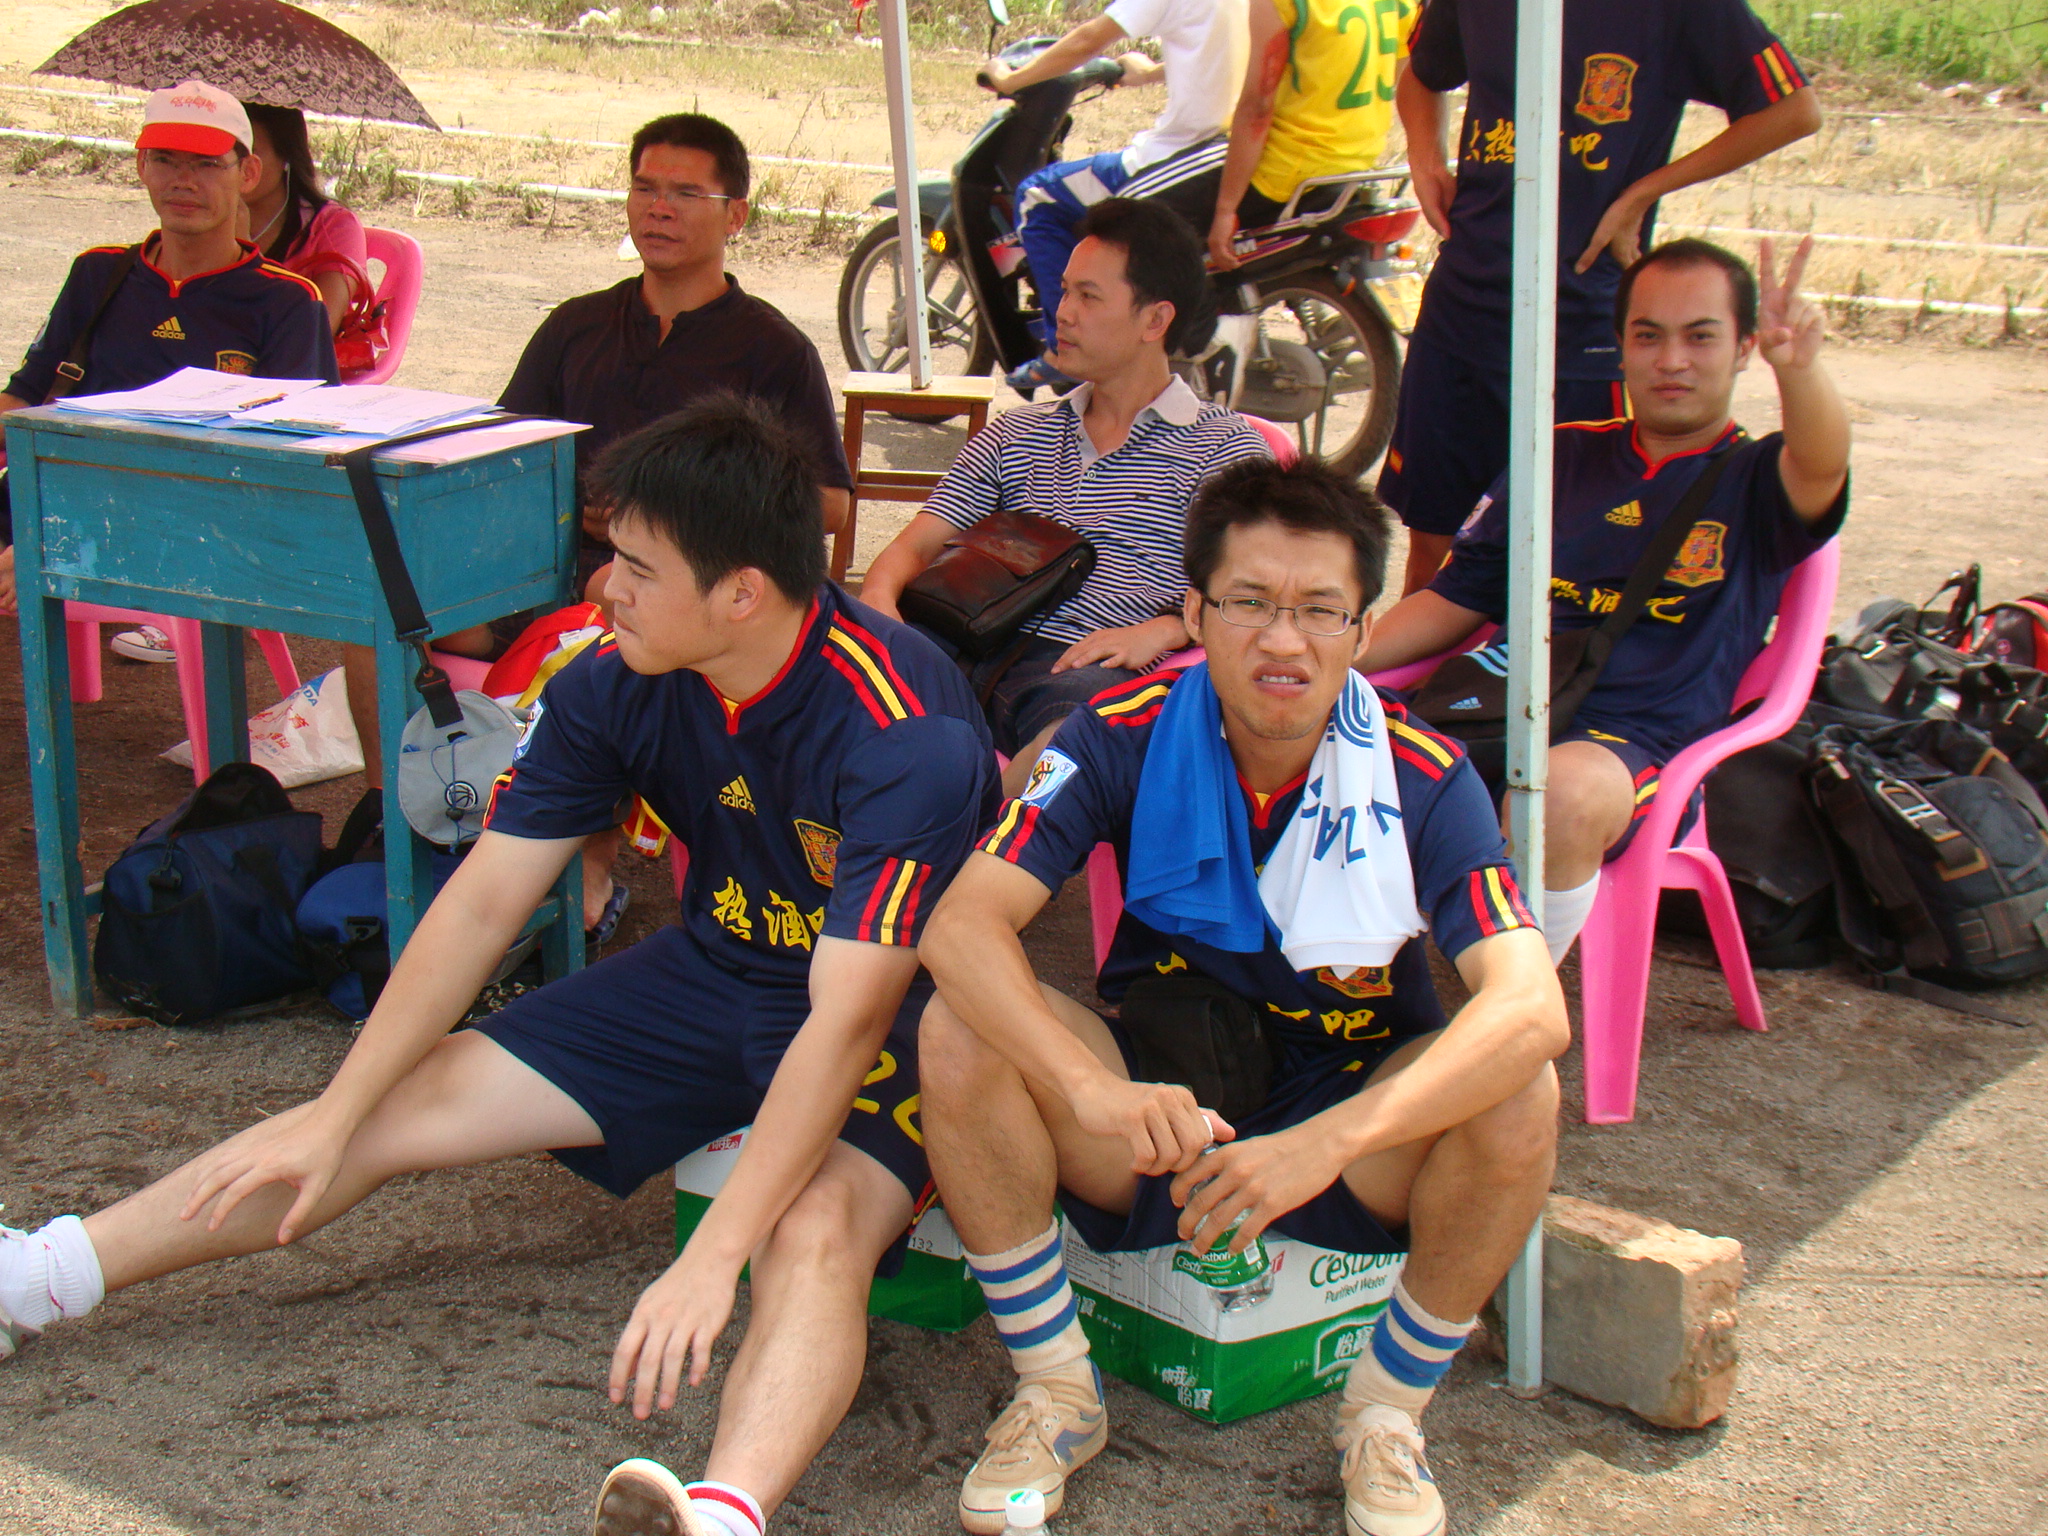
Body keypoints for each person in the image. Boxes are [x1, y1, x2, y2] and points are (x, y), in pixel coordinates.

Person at [0, 396, 1001, 1536]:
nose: (603, 589)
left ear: (740, 592)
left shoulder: (902, 727)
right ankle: (35, 1277)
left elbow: (847, 1016)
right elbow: (482, 902)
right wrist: (338, 1108)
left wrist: (712, 1256)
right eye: (611, 557)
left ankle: (723, 1513)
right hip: (714, 968)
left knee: (811, 1231)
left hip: (894, 1010)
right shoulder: (614, 677)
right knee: (390, 1105)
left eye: (637, 568)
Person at [916, 454, 1566, 1535]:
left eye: (1320, 610)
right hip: (1162, 1115)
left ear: (1362, 630)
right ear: (1193, 614)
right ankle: (1056, 1390)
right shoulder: (1114, 733)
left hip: (1353, 1134)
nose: (1283, 640)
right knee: (960, 1026)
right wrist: (1088, 1086)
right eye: (1249, 603)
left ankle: (1385, 1414)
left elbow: (1530, 1007)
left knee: (1518, 1083)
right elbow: (959, 925)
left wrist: (1327, 1141)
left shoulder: (1421, 774)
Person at [1362, 236, 1849, 965]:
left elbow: (1822, 463)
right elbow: (1455, 599)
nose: (1672, 360)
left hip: (1634, 749)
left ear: (1744, 348)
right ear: (1620, 346)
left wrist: (1800, 371)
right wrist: (1333, 658)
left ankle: (1512, 1006)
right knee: (1294, 729)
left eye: (1700, 337)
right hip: (1493, 708)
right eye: (1648, 336)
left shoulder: (1759, 480)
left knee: (1555, 795)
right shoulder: (1559, 455)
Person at [1378, 0, 1822, 595]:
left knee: (1568, 560)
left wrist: (1644, 192)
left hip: (1582, 321)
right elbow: (1422, 73)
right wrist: (1425, 155)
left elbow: (1793, 110)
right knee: (1435, 550)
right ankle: (1424, 660)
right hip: (1462, 309)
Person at [862, 197, 1268, 796]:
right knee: (824, 663)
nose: (1063, 313)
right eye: (1063, 291)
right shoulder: (1017, 432)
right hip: (960, 637)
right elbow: (916, 545)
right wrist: (877, 606)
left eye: (1088, 296)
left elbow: (1257, 593)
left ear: (1155, 320)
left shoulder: (1224, 451)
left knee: (1074, 742)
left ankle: (981, 838)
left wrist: (1167, 631)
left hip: (1082, 671)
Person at [0, 79, 337, 626]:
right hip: (50, 493)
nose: (184, 181)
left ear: (248, 174)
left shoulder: (287, 301)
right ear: (141, 166)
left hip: (183, 523)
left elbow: (288, 467)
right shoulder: (98, 272)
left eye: (207, 164)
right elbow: (25, 396)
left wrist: (60, 534)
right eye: (165, 160)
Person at [981, 0, 1248, 391]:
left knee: (1037, 195)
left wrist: (1010, 80)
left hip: (1179, 153)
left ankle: (1066, 348)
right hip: (1229, 147)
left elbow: (1087, 40)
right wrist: (1153, 72)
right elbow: (1219, 52)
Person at [1139, 0, 1418, 272]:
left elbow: (1257, 108)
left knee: (1132, 213)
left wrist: (1226, 210)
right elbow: (1397, 73)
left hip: (1285, 170)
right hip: (1356, 164)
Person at [241, 102, 369, 335]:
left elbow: (316, 332)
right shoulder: (199, 219)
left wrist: (242, 260)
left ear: (286, 155)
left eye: (248, 152)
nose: (236, 166)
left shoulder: (333, 226)